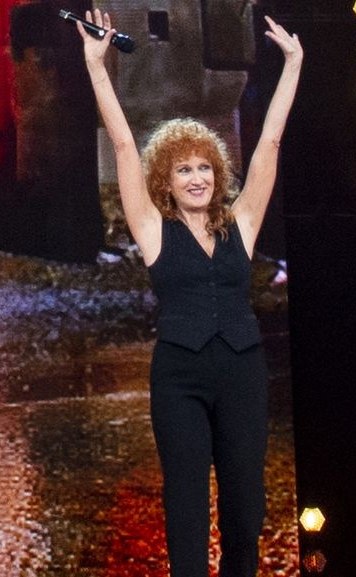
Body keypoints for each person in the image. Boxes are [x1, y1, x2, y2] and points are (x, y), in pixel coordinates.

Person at [76, 9, 302, 577]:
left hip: (242, 371)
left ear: (217, 175)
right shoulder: (154, 231)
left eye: (204, 167)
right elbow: (124, 146)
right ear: (167, 182)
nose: (197, 177)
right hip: (179, 374)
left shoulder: (241, 224)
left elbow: (270, 144)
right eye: (183, 171)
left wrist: (294, 65)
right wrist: (98, 66)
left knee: (246, 508)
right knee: (186, 506)